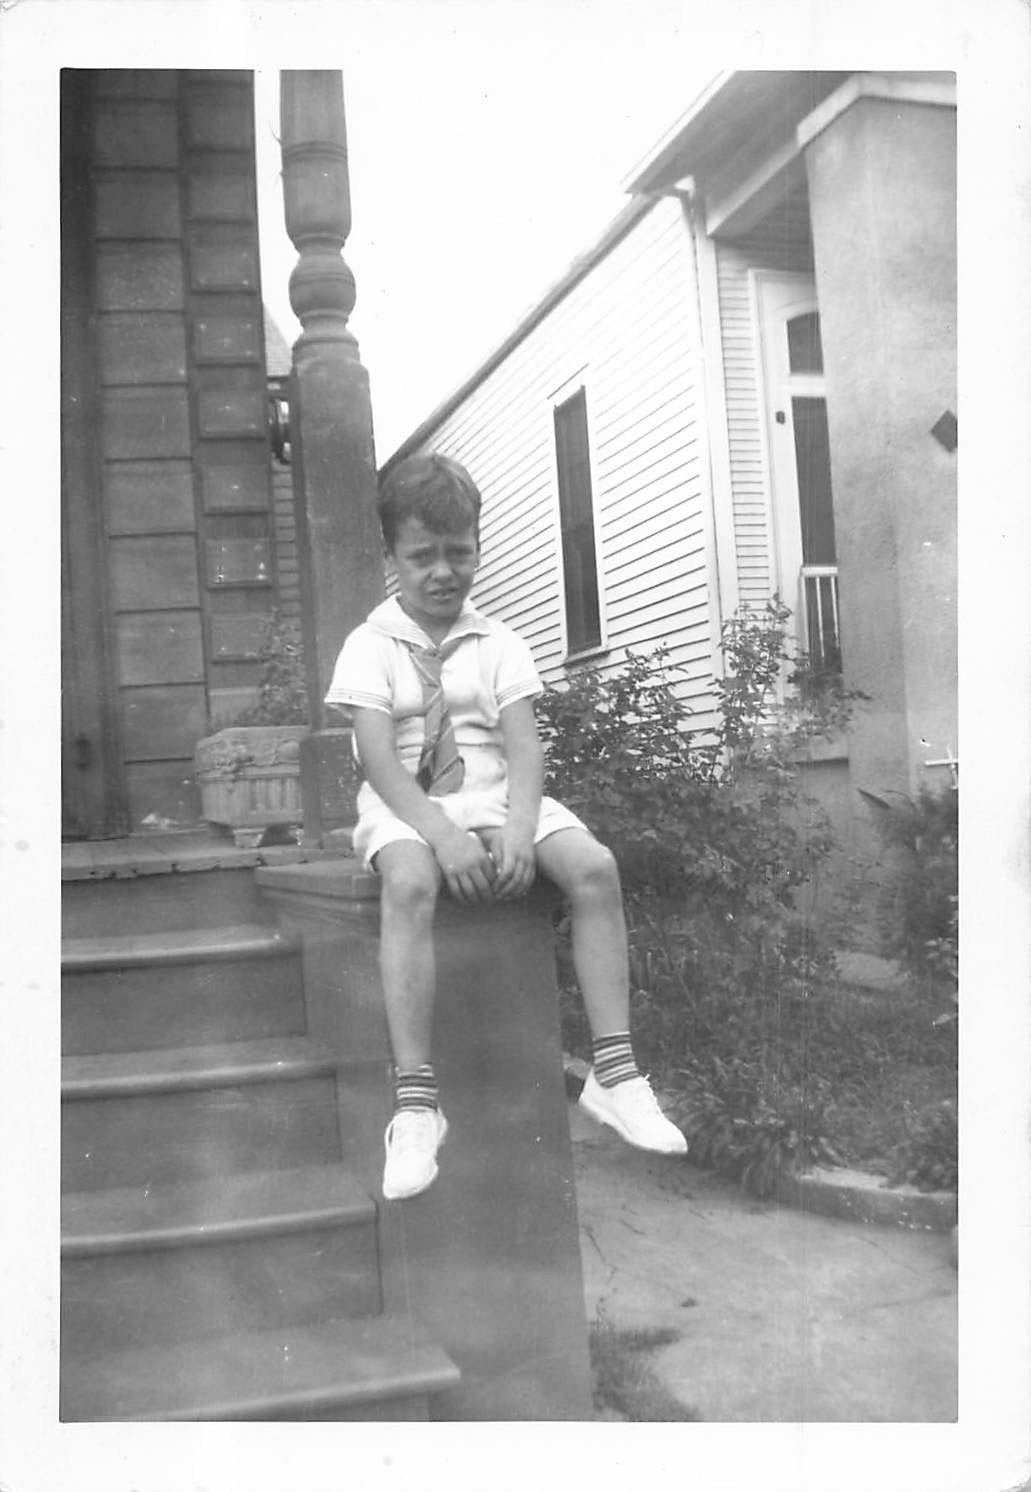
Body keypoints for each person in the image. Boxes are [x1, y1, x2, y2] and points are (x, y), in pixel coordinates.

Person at [325, 452, 687, 1200]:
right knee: (410, 884)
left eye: (459, 553)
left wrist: (519, 827)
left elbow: (524, 747)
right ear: (392, 557)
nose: (442, 572)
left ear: (478, 549)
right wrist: (441, 834)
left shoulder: (498, 642)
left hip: (496, 793)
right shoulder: (371, 644)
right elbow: (378, 761)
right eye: (422, 556)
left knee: (594, 868)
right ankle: (417, 1103)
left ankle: (615, 1073)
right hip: (407, 801)